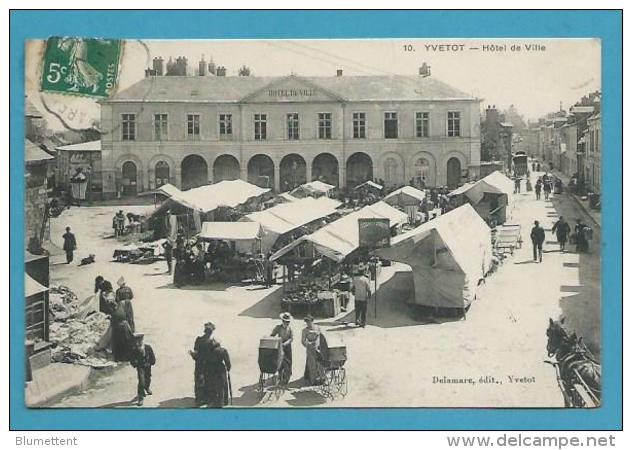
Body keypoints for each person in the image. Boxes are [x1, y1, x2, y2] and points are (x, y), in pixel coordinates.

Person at [189, 322, 231, 408]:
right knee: (212, 383)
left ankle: (200, 400)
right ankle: (213, 399)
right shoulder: (212, 343)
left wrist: (193, 355)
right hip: (209, 366)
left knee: (199, 382)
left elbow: (196, 352)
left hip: (200, 364)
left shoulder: (199, 340)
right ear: (211, 332)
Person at [129, 333, 156, 406]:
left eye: (140, 340)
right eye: (137, 341)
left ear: (142, 340)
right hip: (140, 367)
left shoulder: (147, 347)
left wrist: (152, 362)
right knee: (141, 381)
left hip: (148, 366)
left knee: (148, 378)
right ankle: (140, 397)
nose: (139, 342)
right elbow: (132, 359)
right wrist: (135, 363)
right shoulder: (134, 349)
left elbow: (152, 356)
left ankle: (147, 388)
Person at [301, 315, 325, 385]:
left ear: (312, 321)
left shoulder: (317, 327)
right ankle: (313, 381)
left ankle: (322, 379)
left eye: (309, 321)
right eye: (307, 322)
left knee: (321, 364)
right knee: (312, 365)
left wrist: (319, 344)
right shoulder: (304, 330)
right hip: (310, 349)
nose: (308, 323)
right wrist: (308, 345)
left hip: (318, 348)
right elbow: (303, 341)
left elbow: (321, 337)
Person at [271, 312, 294, 384]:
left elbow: (291, 338)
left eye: (288, 322)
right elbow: (272, 335)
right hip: (280, 345)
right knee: (280, 361)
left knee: (288, 361)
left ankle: (287, 376)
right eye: (285, 321)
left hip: (287, 346)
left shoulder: (290, 329)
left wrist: (286, 343)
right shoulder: (278, 327)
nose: (287, 323)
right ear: (282, 321)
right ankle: (280, 374)